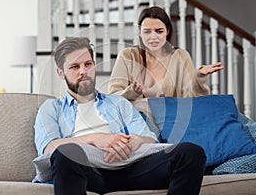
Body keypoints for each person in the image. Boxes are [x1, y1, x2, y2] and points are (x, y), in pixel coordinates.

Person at [34, 37, 206, 195]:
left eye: (88, 64)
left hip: (129, 168)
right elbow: (49, 147)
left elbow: (149, 139)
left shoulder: (118, 102)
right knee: (66, 153)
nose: (83, 71)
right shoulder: (51, 108)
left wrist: (134, 141)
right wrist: (96, 138)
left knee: (191, 152)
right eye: (74, 67)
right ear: (60, 73)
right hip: (88, 171)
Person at [108, 6, 224, 100]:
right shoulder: (127, 56)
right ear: (140, 32)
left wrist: (198, 78)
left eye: (159, 31)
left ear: (167, 31)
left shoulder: (180, 56)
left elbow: (192, 99)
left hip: (172, 121)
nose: (153, 37)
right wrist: (131, 92)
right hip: (138, 121)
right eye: (147, 32)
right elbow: (113, 98)